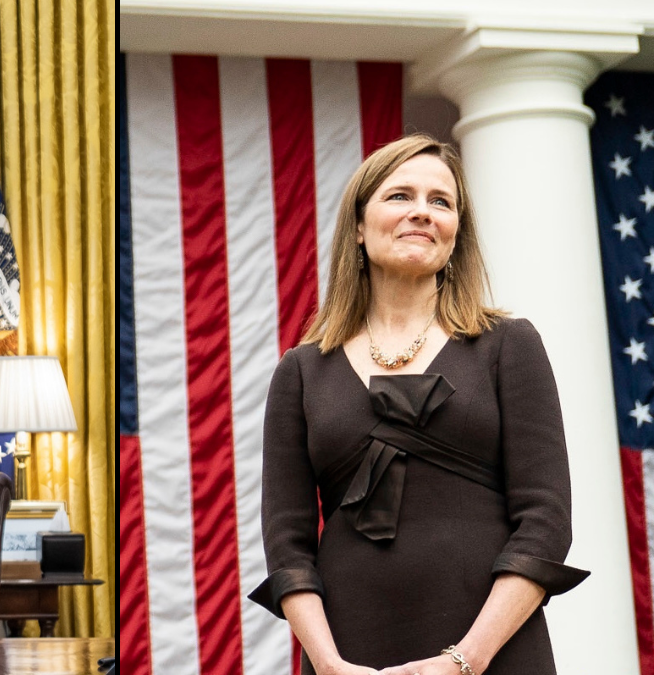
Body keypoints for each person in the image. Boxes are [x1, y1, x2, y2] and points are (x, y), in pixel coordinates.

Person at [249, 134, 588, 675]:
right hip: (350, 655)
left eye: (441, 202)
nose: (422, 213)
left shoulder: (508, 344)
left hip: (492, 652)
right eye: (400, 196)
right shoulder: (302, 370)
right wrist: (329, 664)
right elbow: (287, 546)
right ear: (358, 227)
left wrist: (465, 659)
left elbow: (546, 520)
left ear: (456, 233)